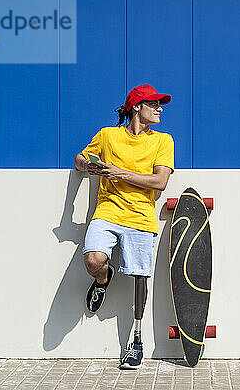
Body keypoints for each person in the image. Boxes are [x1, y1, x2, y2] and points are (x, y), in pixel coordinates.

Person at [73, 84, 174, 369]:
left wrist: (120, 173)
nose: (159, 109)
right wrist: (88, 166)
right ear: (136, 107)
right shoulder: (108, 135)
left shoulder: (163, 141)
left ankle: (136, 342)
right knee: (93, 259)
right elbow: (80, 158)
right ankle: (103, 280)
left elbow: (159, 182)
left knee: (140, 276)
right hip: (107, 210)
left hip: (141, 216)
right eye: (154, 104)